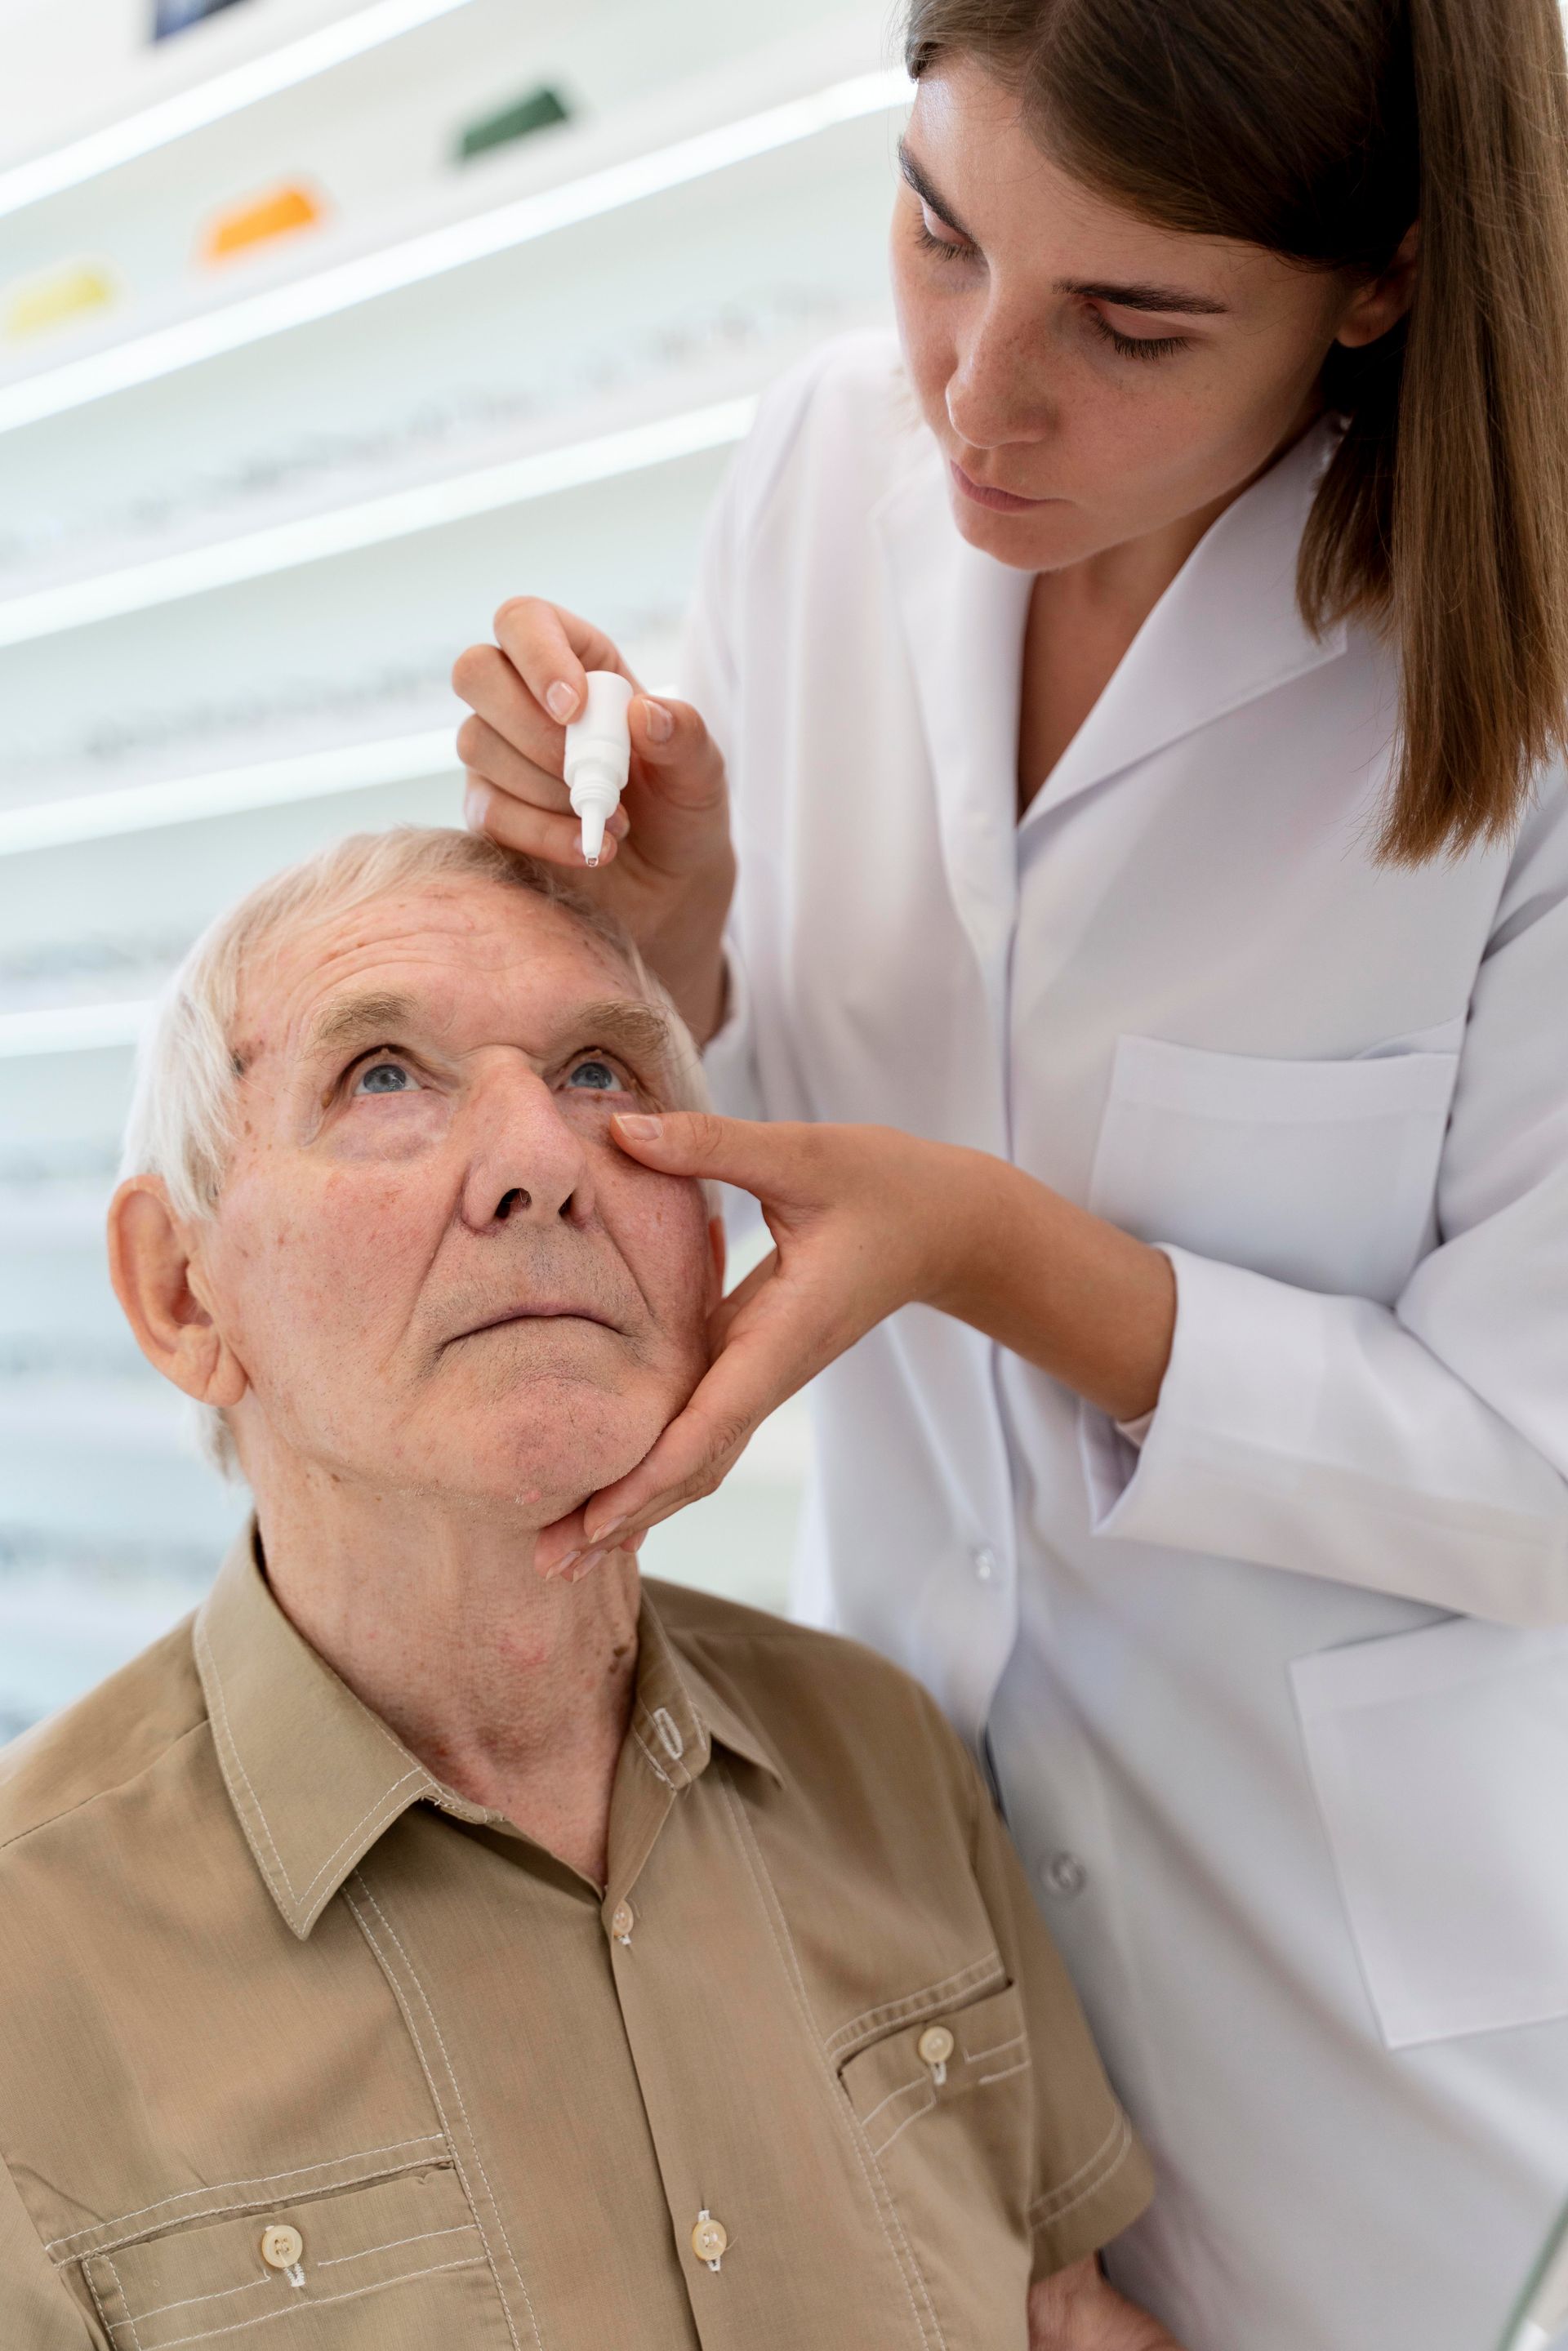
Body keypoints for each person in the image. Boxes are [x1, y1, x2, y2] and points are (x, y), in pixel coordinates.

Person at [452, 1, 1568, 2344]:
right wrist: (664, 932)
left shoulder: (1519, 678)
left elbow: (1533, 1475)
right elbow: (770, 1062)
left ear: (1373, 282)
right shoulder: (820, 473)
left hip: (1357, 2000)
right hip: (900, 1897)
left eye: (1132, 322)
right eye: (940, 235)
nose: (978, 398)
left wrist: (992, 1254)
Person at [0, 829, 1171, 2351]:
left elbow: (1074, 2325)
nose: (542, 1161)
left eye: (603, 1078)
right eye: (382, 1078)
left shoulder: (887, 1758)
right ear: (179, 1291)